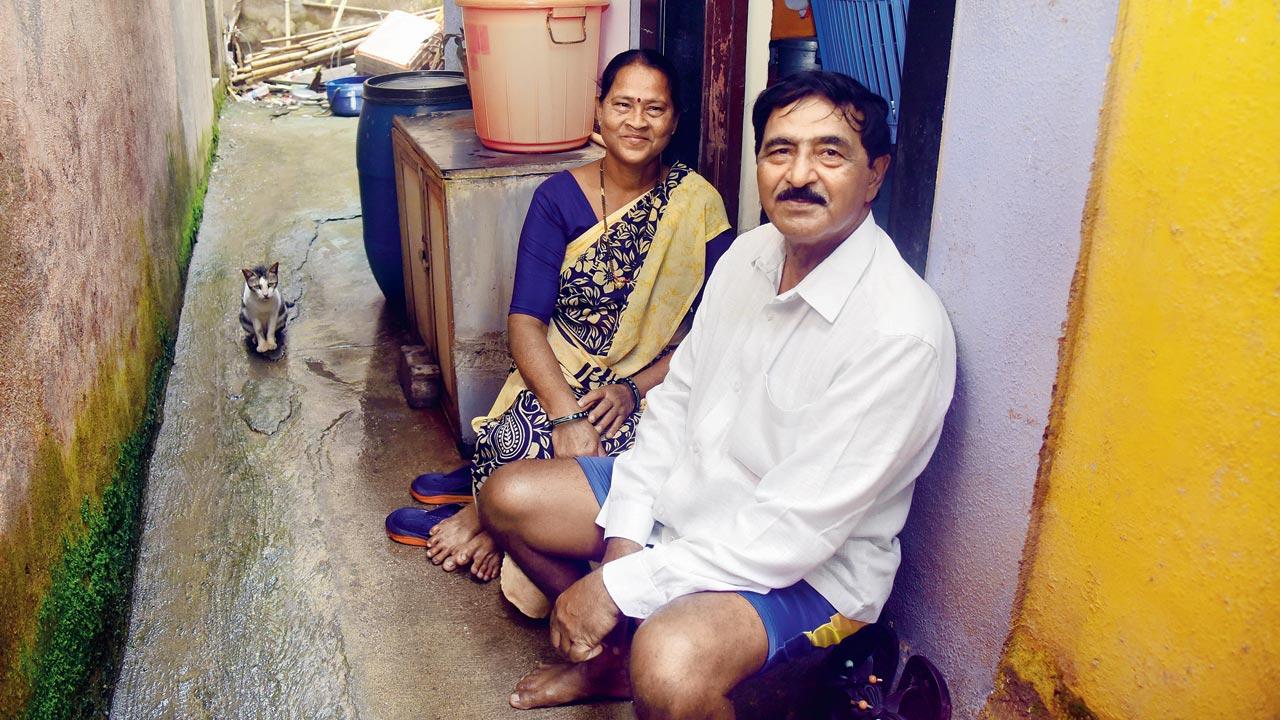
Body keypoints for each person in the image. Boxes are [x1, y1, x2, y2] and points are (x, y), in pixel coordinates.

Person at [475, 70, 957, 715]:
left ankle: (642, 656)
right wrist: (627, 527)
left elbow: (792, 531)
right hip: (693, 504)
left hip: (808, 570)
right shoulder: (751, 254)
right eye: (780, 150)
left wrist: (621, 586)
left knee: (670, 663)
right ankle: (612, 664)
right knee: (508, 495)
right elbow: (675, 406)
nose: (799, 174)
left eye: (830, 152)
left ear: (875, 174)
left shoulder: (899, 333)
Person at [385, 49, 733, 585]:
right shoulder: (557, 198)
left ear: (675, 120)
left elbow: (712, 333)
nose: (636, 122)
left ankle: (490, 520)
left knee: (635, 463)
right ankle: (499, 516)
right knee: (510, 444)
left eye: (654, 109)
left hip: (648, 389)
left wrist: (631, 390)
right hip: (564, 374)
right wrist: (565, 414)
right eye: (622, 104)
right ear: (598, 109)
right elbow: (525, 320)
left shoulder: (700, 206)